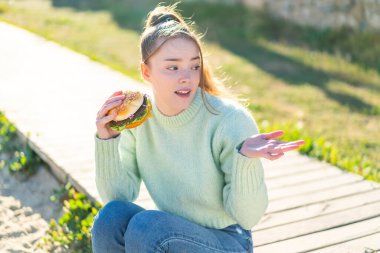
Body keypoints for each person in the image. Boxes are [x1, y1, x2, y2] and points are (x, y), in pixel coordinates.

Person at [92, 3, 304, 253]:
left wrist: (245, 160)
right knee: (111, 217)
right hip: (173, 233)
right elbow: (119, 196)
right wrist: (107, 139)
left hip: (228, 241)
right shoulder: (138, 118)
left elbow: (248, 219)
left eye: (194, 65)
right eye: (173, 67)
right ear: (146, 72)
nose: (187, 77)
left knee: (148, 226)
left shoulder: (229, 120)